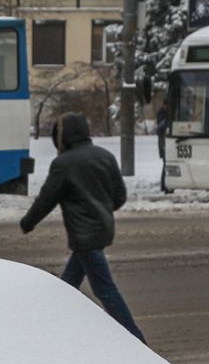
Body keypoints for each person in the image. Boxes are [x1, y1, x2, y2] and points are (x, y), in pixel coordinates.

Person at [19, 113, 146, 343]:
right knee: (67, 287)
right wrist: (102, 212)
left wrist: (28, 222)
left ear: (63, 136)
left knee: (105, 290)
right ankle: (54, 328)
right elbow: (120, 196)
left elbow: (47, 199)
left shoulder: (64, 163)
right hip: (101, 229)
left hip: (84, 234)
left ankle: (136, 340)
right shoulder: (105, 156)